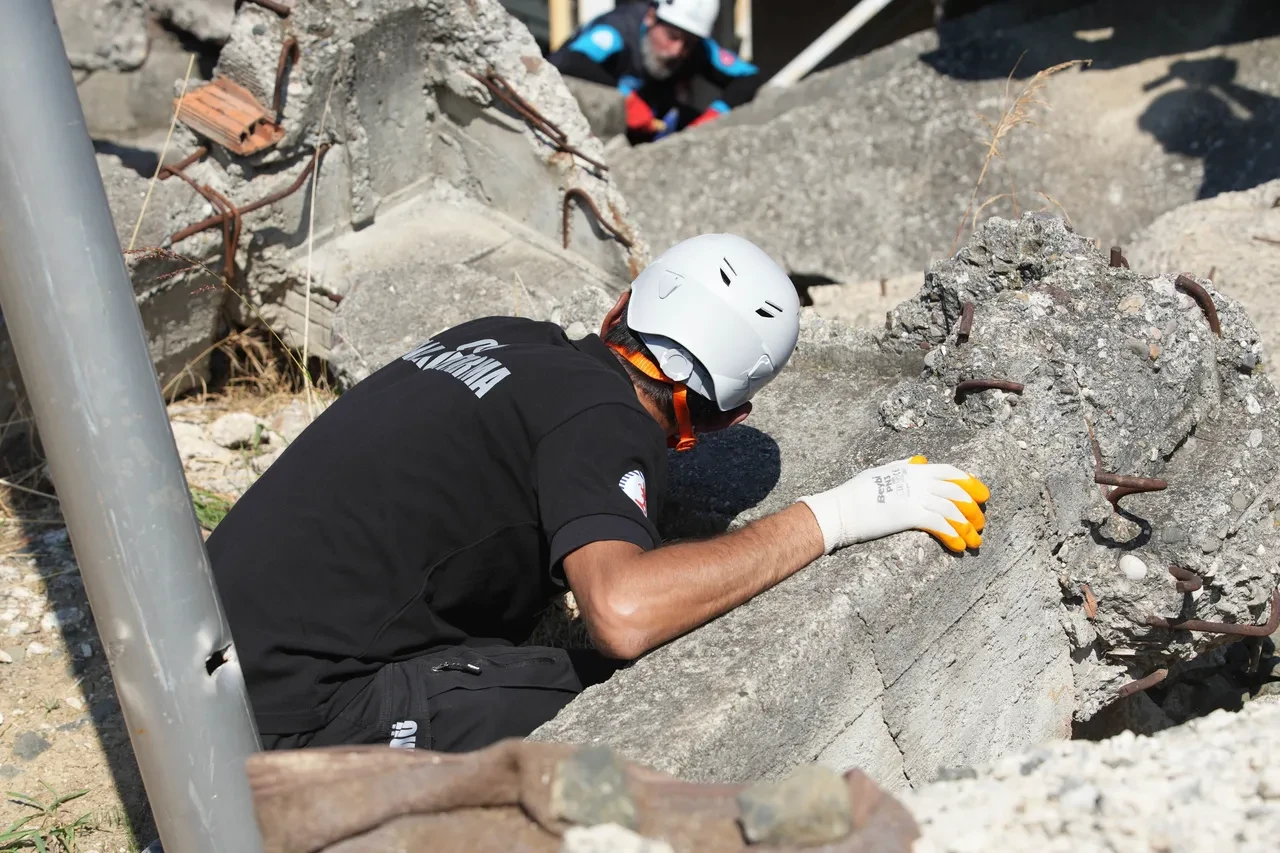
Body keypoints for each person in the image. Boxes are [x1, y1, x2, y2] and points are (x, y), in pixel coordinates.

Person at [207, 233, 991, 754]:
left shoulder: (500, 334)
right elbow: (622, 614)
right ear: (720, 420)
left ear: (619, 308)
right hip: (281, 727)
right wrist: (836, 515)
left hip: (199, 661)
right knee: (628, 698)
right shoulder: (602, 423)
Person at [547, 0, 762, 145]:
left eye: (689, 43)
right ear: (651, 17)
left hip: (652, 126)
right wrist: (624, 99)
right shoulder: (618, 29)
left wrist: (714, 116)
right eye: (672, 36)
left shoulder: (697, 49)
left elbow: (749, 77)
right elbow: (570, 60)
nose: (678, 51)